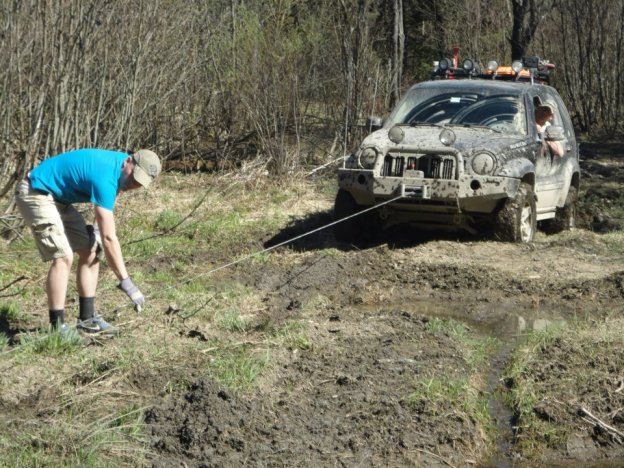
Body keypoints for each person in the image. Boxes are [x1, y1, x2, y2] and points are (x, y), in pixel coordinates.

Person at [15, 148, 161, 337]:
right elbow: (110, 239)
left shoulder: (119, 170)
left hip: (59, 200)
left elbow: (109, 201)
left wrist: (97, 230)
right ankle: (57, 329)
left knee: (91, 250)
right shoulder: (105, 176)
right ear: (128, 162)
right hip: (35, 192)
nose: (134, 184)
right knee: (63, 257)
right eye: (134, 177)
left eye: (139, 183)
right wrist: (126, 282)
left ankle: (87, 320)